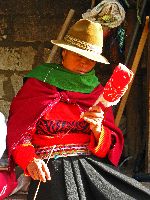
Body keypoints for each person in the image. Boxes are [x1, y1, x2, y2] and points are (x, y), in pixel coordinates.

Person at [6, 19, 150, 200]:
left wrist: (98, 130)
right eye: (78, 55)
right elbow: (19, 133)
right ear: (64, 52)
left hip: (89, 164)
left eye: (90, 59)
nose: (84, 63)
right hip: (50, 165)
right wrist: (30, 160)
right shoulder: (39, 84)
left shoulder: (96, 91)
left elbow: (107, 148)